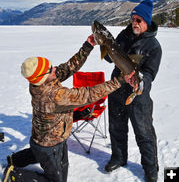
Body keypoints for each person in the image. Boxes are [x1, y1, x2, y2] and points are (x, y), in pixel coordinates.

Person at [2, 35, 136, 182]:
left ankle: (14, 160)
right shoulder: (54, 95)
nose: (54, 68)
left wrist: (88, 46)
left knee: (38, 153)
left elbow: (68, 68)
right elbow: (88, 94)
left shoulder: (38, 82)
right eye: (49, 69)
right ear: (42, 77)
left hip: (43, 138)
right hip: (50, 145)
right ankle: (15, 176)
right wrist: (120, 81)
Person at [104, 0, 162, 182]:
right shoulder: (124, 35)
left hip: (138, 95)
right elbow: (108, 57)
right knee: (116, 128)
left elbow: (150, 74)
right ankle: (119, 157)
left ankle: (150, 168)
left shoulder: (154, 46)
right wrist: (102, 44)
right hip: (116, 90)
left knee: (144, 133)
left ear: (146, 21)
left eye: (139, 20)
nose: (134, 23)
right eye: (133, 19)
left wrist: (140, 81)